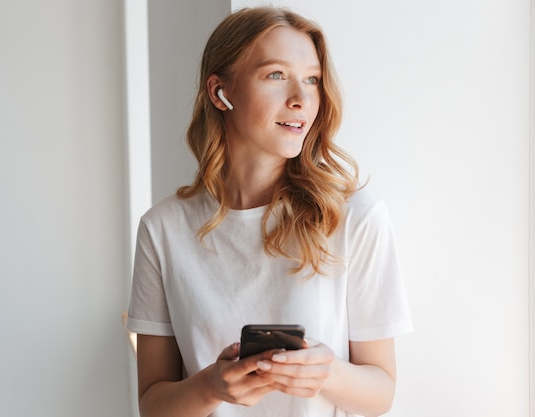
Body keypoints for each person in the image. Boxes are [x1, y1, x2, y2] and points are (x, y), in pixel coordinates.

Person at [126, 6, 412, 417]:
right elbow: (153, 406)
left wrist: (325, 372)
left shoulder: (355, 216)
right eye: (276, 75)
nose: (301, 99)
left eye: (312, 80)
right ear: (219, 92)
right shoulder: (163, 229)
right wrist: (210, 386)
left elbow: (381, 393)